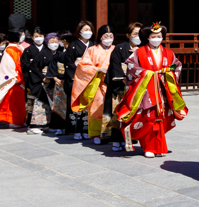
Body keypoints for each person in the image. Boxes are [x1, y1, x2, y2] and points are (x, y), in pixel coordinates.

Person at [115, 22, 188, 157]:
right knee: (148, 117)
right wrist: (148, 74)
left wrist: (167, 73)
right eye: (153, 36)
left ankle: (158, 147)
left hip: (162, 88)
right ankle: (148, 147)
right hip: (146, 89)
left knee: (160, 117)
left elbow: (176, 66)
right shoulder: (139, 52)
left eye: (159, 36)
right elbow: (131, 66)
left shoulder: (168, 53)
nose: (156, 38)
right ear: (148, 37)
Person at [71, 25, 117, 145]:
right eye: (105, 36)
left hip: (112, 84)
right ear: (100, 37)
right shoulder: (92, 49)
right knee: (97, 109)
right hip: (98, 83)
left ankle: (111, 133)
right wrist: (97, 69)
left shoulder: (116, 49)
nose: (108, 39)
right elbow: (82, 65)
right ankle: (96, 133)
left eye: (111, 36)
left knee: (113, 109)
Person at [105, 23, 141, 151]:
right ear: (128, 35)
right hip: (121, 86)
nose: (138, 36)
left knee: (136, 114)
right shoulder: (119, 48)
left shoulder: (144, 49)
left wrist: (139, 54)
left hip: (138, 87)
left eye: (139, 34)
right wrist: (124, 79)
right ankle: (117, 140)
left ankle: (132, 139)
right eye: (135, 34)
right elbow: (115, 67)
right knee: (118, 113)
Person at [0, 30, 26, 129]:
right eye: (21, 35)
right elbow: (11, 65)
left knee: (17, 102)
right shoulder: (11, 49)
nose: (23, 37)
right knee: (13, 102)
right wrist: (17, 76)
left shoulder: (17, 47)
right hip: (15, 77)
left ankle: (19, 120)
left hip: (20, 76)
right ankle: (14, 121)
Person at [62, 21, 94, 138]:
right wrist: (77, 75)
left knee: (87, 104)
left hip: (90, 78)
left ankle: (86, 130)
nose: (88, 32)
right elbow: (69, 63)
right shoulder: (73, 45)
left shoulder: (93, 45)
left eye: (89, 30)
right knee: (76, 104)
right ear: (79, 31)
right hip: (76, 79)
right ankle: (76, 130)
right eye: (85, 30)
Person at [20, 27, 54, 135]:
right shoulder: (28, 50)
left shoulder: (47, 50)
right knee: (32, 103)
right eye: (36, 36)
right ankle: (32, 125)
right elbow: (25, 66)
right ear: (32, 37)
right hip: (33, 79)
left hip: (47, 79)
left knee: (47, 104)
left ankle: (46, 124)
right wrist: (35, 78)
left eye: (40, 36)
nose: (38, 38)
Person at [44, 33, 67, 135]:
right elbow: (52, 67)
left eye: (56, 41)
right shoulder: (56, 55)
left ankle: (68, 127)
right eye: (51, 41)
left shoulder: (65, 52)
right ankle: (58, 127)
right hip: (58, 81)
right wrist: (55, 78)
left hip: (68, 81)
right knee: (57, 105)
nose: (55, 44)